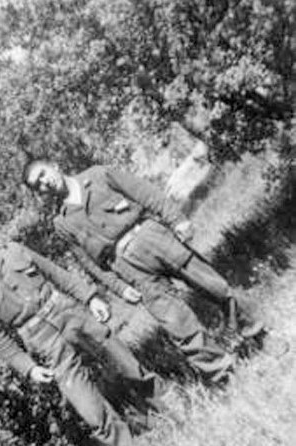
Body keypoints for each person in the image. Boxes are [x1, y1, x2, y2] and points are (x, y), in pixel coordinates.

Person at [0, 220, 162, 446]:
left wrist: (90, 298)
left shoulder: (12, 250)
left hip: (68, 313)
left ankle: (163, 410)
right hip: (42, 339)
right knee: (89, 407)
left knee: (125, 362)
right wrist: (29, 368)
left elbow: (56, 273)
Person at [24, 160, 263, 381]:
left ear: (54, 166)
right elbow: (89, 264)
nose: (45, 182)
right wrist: (120, 288)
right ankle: (223, 371)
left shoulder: (98, 175)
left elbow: (144, 192)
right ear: (40, 193)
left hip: (153, 237)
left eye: (43, 174)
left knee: (212, 284)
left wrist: (176, 219)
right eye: (38, 185)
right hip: (127, 265)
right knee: (175, 320)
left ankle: (251, 328)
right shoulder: (62, 223)